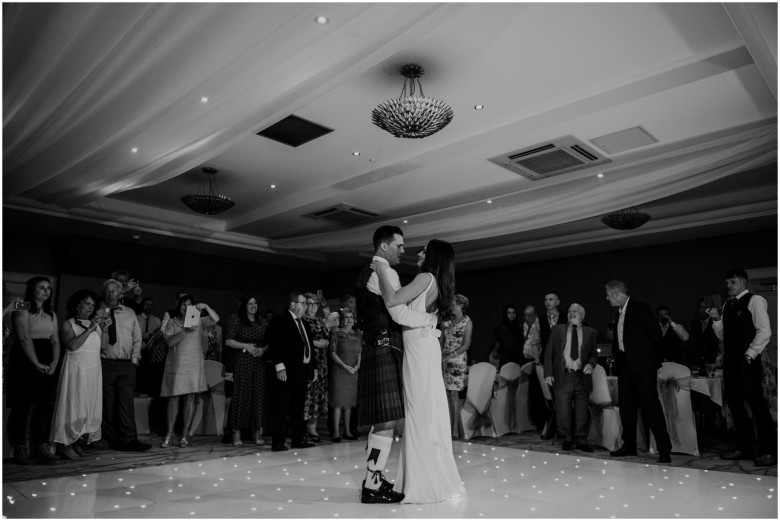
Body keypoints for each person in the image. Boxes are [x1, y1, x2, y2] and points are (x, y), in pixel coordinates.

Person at [373, 238, 466, 504]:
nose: (419, 252)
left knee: (418, 414)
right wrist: (429, 318)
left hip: (420, 351)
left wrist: (380, 269)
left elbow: (393, 302)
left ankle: (420, 483)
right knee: (424, 412)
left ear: (433, 256)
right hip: (423, 348)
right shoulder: (436, 281)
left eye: (425, 249)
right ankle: (424, 478)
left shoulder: (426, 277)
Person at [355, 225, 436, 504]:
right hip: (383, 346)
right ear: (384, 247)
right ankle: (372, 486)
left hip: (375, 346)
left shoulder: (371, 270)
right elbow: (399, 313)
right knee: (387, 420)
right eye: (399, 246)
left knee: (382, 420)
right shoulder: (385, 272)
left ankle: (372, 479)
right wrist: (428, 321)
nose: (404, 251)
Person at [709, 268, 775, 467]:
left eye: (733, 282)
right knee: (736, 405)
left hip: (748, 360)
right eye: (727, 282)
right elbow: (723, 336)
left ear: (743, 282)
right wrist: (716, 320)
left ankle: (769, 450)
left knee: (757, 405)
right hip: (731, 361)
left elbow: (764, 331)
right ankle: (745, 447)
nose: (729, 286)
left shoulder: (755, 301)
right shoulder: (728, 305)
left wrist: (751, 353)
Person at [605, 280, 671, 464]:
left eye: (608, 295)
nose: (606, 298)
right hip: (625, 367)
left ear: (617, 294)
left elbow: (655, 335)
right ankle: (629, 445)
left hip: (643, 367)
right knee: (627, 407)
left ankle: (664, 449)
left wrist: (654, 361)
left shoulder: (640, 307)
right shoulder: (618, 313)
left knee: (651, 408)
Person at [8, 276, 61, 464]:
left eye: (48, 288)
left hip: (47, 356)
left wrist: (54, 361)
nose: (46, 291)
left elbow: (55, 340)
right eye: (41, 287)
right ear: (32, 289)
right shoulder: (23, 306)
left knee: (44, 404)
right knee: (22, 404)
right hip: (25, 357)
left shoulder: (51, 314)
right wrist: (36, 363)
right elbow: (24, 338)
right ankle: (20, 447)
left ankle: (41, 445)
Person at [98, 278, 151, 451]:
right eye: (109, 291)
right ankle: (112, 440)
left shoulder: (129, 313)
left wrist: (135, 359)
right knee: (108, 403)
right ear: (105, 293)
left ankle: (130, 438)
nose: (111, 293)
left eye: (115, 291)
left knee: (126, 403)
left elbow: (137, 337)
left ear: (120, 294)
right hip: (106, 362)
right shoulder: (99, 312)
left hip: (127, 363)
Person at [50, 289, 103, 459]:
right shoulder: (69, 323)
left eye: (93, 305)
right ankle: (65, 443)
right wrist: (90, 329)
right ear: (78, 304)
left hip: (93, 369)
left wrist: (105, 328)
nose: (90, 307)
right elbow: (72, 346)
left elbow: (104, 346)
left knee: (87, 405)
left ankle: (79, 439)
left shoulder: (96, 324)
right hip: (76, 368)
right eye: (87, 303)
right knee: (73, 403)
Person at [160, 294, 218, 448]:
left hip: (194, 363)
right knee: (173, 398)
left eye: (189, 305)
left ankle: (185, 435)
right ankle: (169, 434)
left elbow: (216, 319)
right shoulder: (172, 321)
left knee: (190, 398)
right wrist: (185, 331)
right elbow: (170, 342)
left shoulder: (198, 319)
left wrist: (205, 307)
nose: (186, 307)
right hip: (177, 364)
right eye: (183, 305)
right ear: (179, 306)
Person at [543, 303, 597, 452]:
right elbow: (549, 352)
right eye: (570, 311)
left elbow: (593, 353)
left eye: (576, 311)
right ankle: (566, 438)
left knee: (581, 410)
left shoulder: (591, 332)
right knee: (563, 409)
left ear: (582, 315)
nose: (572, 313)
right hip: (563, 374)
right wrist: (548, 373)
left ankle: (581, 439)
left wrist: (591, 364)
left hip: (581, 375)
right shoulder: (557, 330)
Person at [267, 291, 317, 452]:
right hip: (287, 370)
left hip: (302, 370)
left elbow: (309, 347)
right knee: (283, 406)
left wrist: (313, 366)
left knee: (298, 406)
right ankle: (278, 442)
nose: (306, 307)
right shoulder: (280, 320)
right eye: (303, 303)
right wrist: (280, 366)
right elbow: (275, 345)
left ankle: (298, 438)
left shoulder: (305, 323)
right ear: (293, 304)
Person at [224, 295, 269, 446]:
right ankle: (236, 433)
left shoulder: (262, 321)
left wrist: (262, 349)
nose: (253, 305)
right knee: (241, 396)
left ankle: (257, 432)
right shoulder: (237, 320)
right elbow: (228, 341)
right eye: (250, 303)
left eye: (255, 303)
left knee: (258, 396)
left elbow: (269, 341)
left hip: (259, 362)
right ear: (244, 305)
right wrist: (246, 346)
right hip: (243, 361)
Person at [440, 293, 472, 440]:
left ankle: (454, 430)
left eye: (454, 304)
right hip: (443, 360)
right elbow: (441, 341)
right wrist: (440, 356)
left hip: (457, 360)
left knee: (454, 394)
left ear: (461, 305)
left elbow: (466, 345)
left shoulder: (467, 322)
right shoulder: (446, 321)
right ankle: (447, 427)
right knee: (445, 394)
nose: (451, 306)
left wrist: (450, 355)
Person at [328, 307, 362, 442]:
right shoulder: (337, 332)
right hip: (339, 370)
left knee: (349, 403)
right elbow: (332, 352)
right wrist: (345, 366)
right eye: (346, 317)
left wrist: (357, 366)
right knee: (337, 402)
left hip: (353, 371)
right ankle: (336, 432)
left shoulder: (358, 333)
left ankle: (347, 431)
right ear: (341, 320)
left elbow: (359, 352)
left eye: (351, 317)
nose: (348, 320)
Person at [302, 293, 330, 442]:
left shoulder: (320, 320)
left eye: (315, 304)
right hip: (309, 363)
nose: (312, 307)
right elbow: (300, 340)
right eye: (309, 304)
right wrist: (316, 343)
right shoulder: (302, 320)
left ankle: (313, 426)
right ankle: (304, 427)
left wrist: (325, 342)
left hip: (322, 364)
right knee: (307, 395)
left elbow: (331, 325)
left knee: (319, 396)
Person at [690, 298, 720, 365]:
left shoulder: (716, 323)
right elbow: (693, 343)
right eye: (701, 307)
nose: (703, 310)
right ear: (698, 309)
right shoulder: (694, 323)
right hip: (697, 361)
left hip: (712, 361)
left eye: (706, 307)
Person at [539, 292, 566, 359]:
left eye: (551, 299)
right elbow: (537, 339)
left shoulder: (565, 318)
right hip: (545, 356)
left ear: (557, 302)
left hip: (562, 356)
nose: (548, 302)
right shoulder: (540, 319)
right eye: (546, 300)